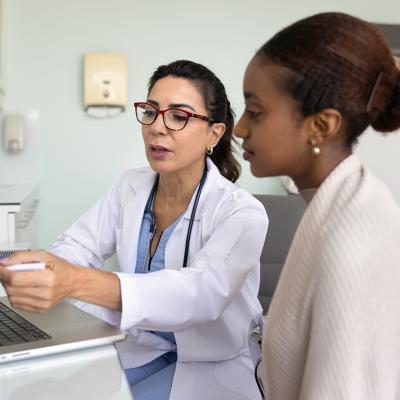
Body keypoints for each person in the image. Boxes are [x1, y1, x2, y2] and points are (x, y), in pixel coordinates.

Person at [0, 60, 268, 400]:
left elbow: (202, 294)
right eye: (151, 111)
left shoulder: (241, 212)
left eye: (178, 116)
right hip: (139, 347)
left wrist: (74, 281)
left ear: (213, 134)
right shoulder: (130, 186)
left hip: (208, 365)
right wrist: (41, 270)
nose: (158, 127)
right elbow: (76, 246)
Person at [234, 12, 400, 400]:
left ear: (321, 126)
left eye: (255, 111)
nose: (241, 128)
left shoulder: (352, 242)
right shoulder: (339, 203)